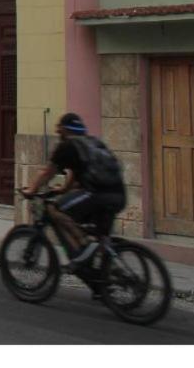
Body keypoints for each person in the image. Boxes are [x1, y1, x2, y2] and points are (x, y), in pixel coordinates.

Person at [22, 112, 126, 270]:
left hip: (96, 194)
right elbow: (76, 172)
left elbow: (47, 173)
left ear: (65, 129)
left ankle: (83, 247)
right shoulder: (93, 142)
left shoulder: (67, 146)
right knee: (100, 237)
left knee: (55, 208)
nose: (57, 132)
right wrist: (64, 189)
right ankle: (106, 279)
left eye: (59, 129)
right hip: (118, 195)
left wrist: (31, 190)